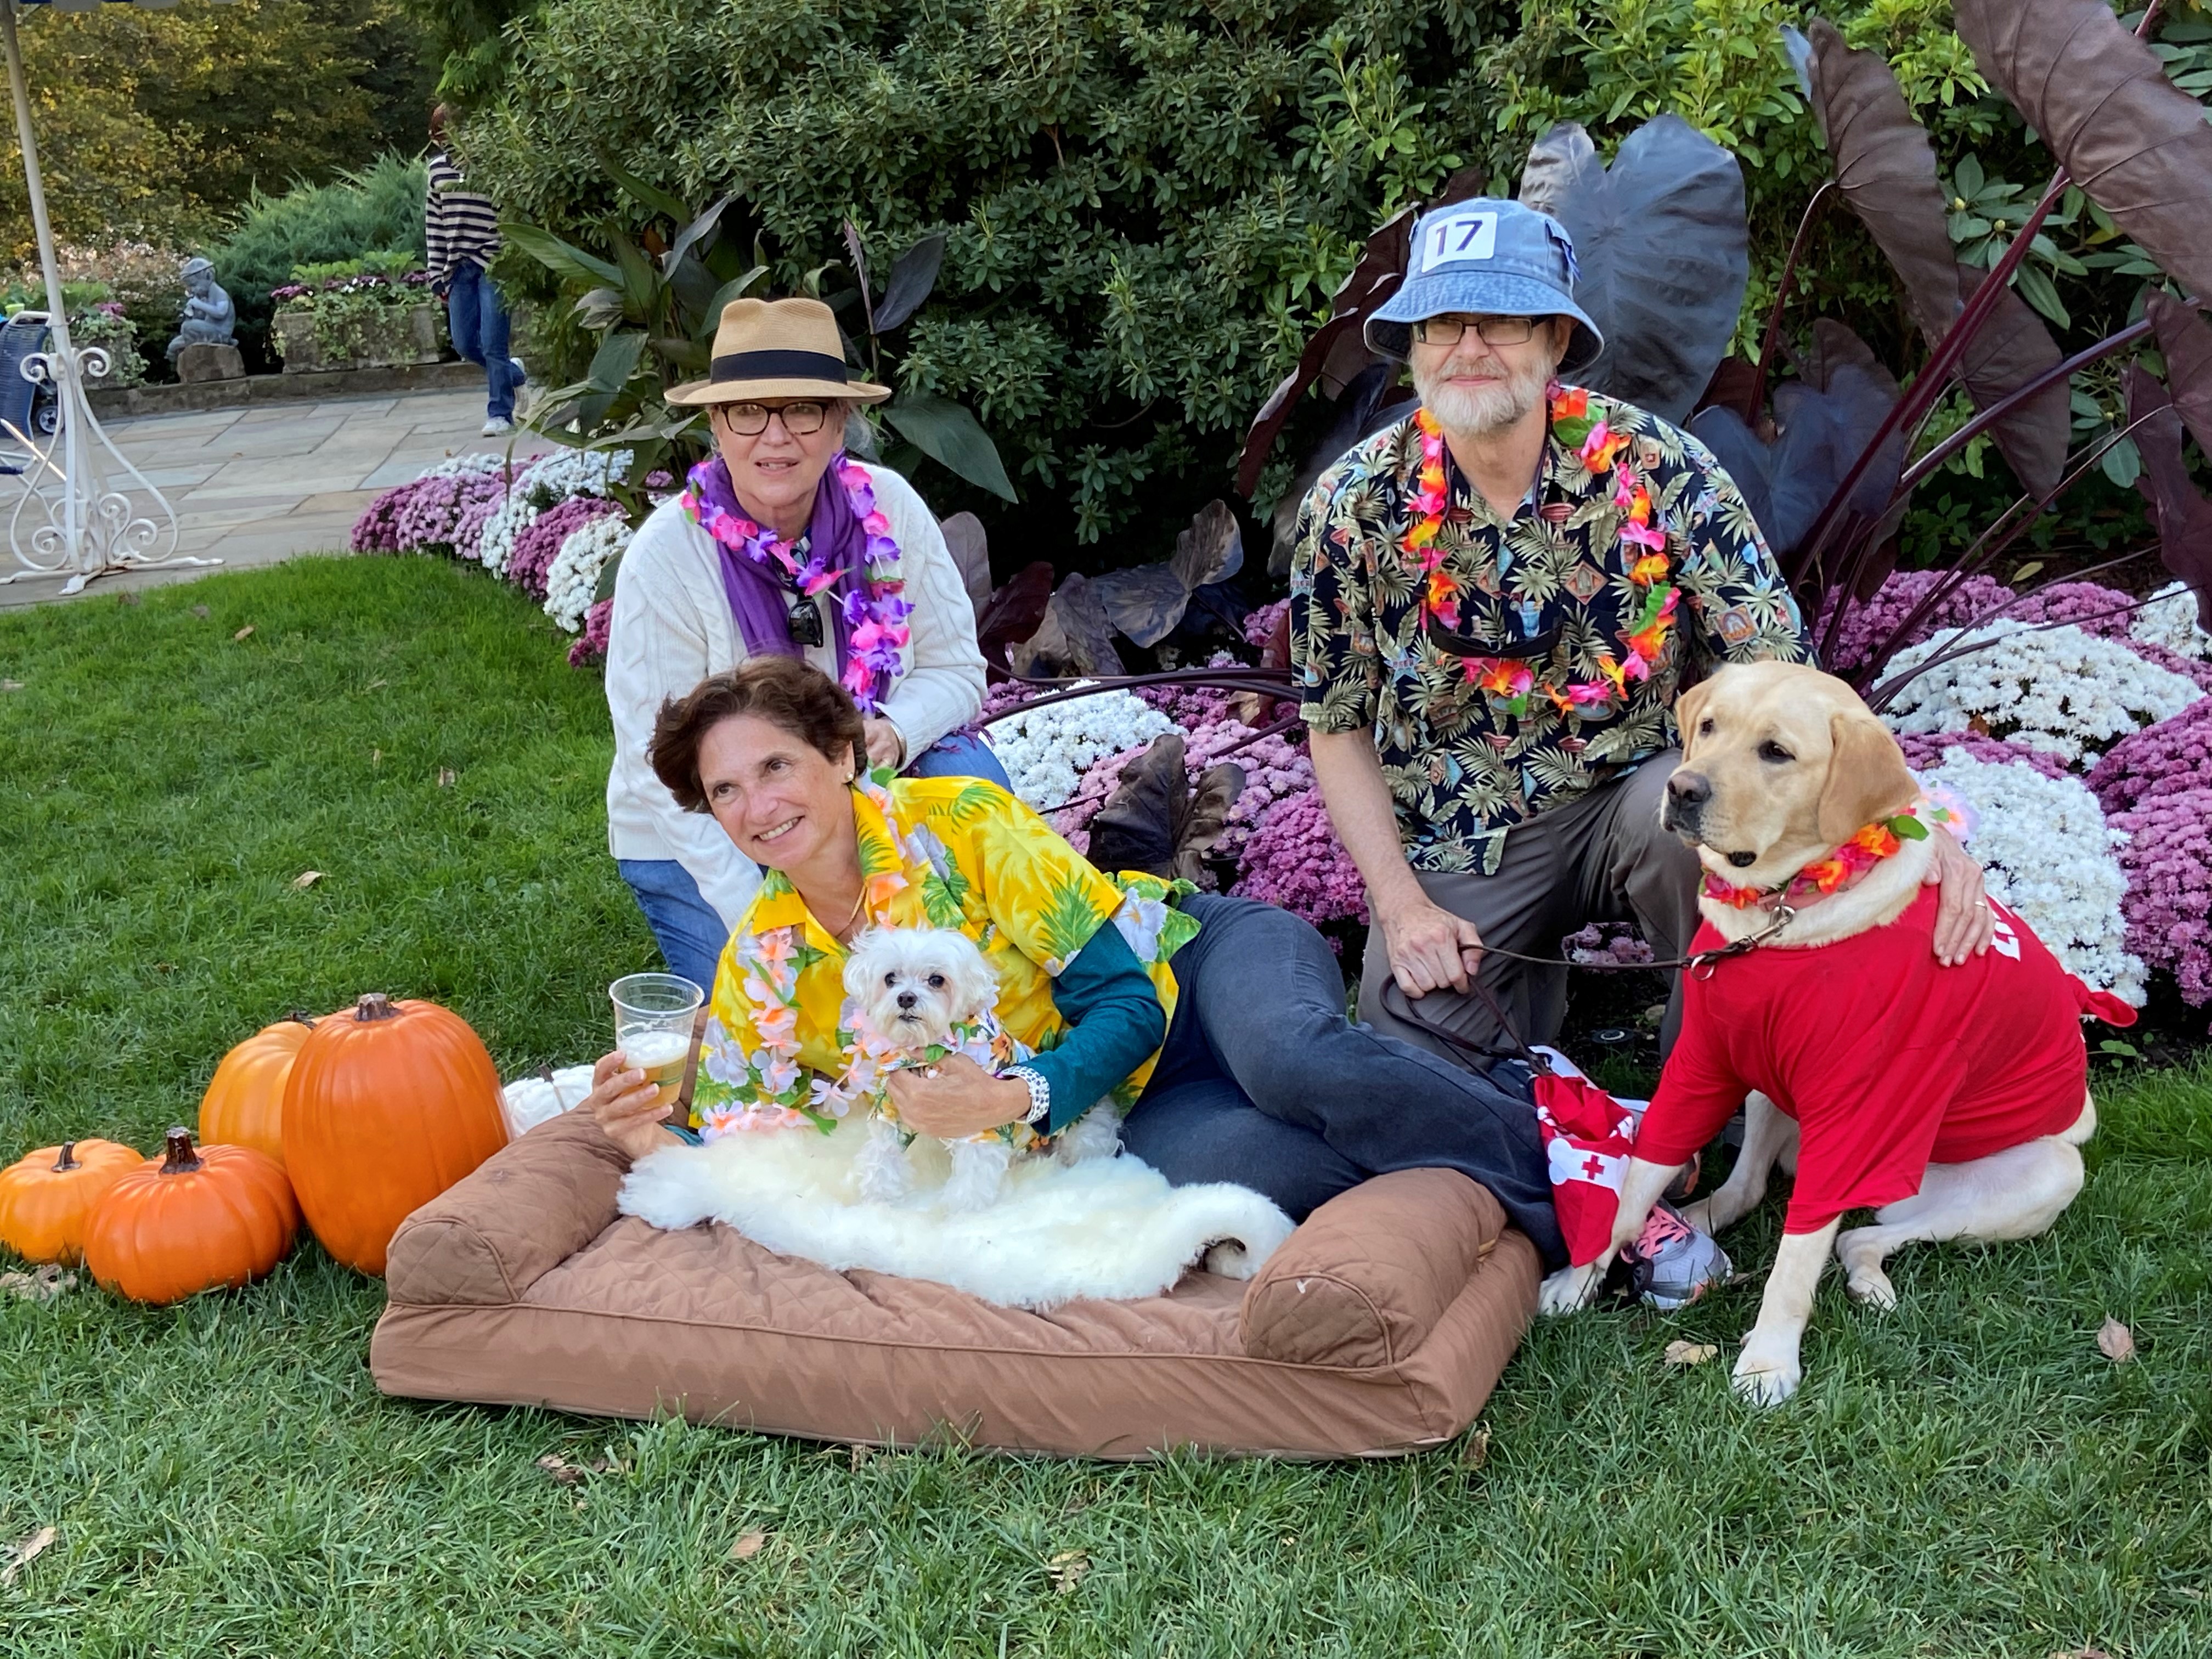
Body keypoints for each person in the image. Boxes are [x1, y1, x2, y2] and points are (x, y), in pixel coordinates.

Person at [1291, 198, 1993, 1068]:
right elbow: (1336, 721)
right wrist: (1400, 907)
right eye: (1442, 324)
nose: (1468, 348)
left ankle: (1725, 1094)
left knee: (1702, 838)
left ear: (1553, 342)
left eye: (1501, 321)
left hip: (1645, 793)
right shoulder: (1354, 505)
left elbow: (1778, 669)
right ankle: (1523, 992)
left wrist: (1923, 833)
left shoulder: (1661, 468)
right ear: (1415, 347)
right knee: (1415, 1073)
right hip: (1461, 830)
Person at [579, 658, 1567, 1266]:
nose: (757, 807)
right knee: (1258, 1167)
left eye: (774, 766)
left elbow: (1128, 1002)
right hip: (1123, 1100)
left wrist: (1009, 1098)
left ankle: (1581, 1173)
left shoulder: (958, 821)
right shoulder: (765, 952)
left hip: (1190, 972)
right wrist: (651, 1137)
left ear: (840, 756)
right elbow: (763, 1127)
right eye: (725, 791)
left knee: (1290, 1063)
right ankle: (1489, 1140)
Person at [605, 297, 1008, 993]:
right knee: (776, 1040)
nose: (776, 438)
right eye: (748, 412)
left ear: (840, 420)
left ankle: (995, 949)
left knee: (968, 770)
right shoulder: (666, 558)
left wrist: (893, 732)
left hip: (863, 790)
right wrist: (768, 926)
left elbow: (955, 670)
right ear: (715, 425)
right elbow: (657, 771)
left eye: (803, 410)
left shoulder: (891, 508)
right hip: (711, 822)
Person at [425, 104, 527, 438]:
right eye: (443, 138)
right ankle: (514, 375)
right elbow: (435, 226)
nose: (449, 144)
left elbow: (511, 216)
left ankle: (501, 414)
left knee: (493, 342)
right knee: (466, 343)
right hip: (458, 269)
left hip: (494, 264)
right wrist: (436, 274)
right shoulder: (437, 172)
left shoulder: (492, 168)